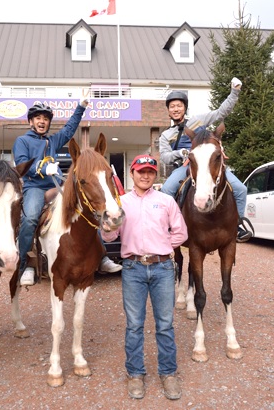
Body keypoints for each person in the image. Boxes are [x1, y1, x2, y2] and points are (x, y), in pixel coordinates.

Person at [101, 154, 188, 401]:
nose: (146, 175)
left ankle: (168, 373)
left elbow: (181, 233)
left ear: (155, 174)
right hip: (133, 269)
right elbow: (108, 238)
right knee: (134, 325)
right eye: (141, 171)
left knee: (165, 324)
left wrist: (162, 246)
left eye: (150, 171)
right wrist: (107, 226)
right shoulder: (121, 202)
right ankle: (136, 374)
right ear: (132, 173)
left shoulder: (166, 201)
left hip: (162, 269)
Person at [13, 98, 121, 286]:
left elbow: (70, 128)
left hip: (55, 186)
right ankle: (26, 265)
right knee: (30, 217)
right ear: (30, 122)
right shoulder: (22, 141)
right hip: (34, 187)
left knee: (84, 208)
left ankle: (102, 257)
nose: (41, 121)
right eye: (37, 118)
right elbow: (22, 164)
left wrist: (81, 107)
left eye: (45, 119)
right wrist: (42, 168)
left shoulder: (53, 140)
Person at [158, 78, 252, 243]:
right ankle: (168, 227)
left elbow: (221, 112)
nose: (176, 109)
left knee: (241, 189)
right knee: (166, 190)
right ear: (168, 110)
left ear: (185, 107)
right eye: (172, 106)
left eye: (179, 105)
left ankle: (238, 225)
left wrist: (234, 91)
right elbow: (165, 157)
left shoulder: (198, 120)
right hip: (185, 167)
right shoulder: (165, 135)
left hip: (210, 164)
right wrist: (181, 152)